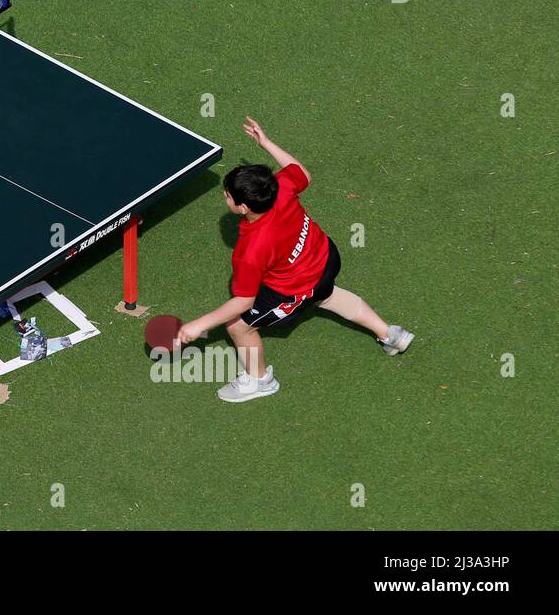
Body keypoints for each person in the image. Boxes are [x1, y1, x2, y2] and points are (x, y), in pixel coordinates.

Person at [177, 117, 414, 403]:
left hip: (296, 286)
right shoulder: (281, 189)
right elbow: (302, 172)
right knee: (327, 295)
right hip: (327, 257)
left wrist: (197, 325)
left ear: (242, 208)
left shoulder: (250, 250)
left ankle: (260, 380)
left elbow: (243, 302)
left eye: (227, 196)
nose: (224, 198)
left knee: (239, 325)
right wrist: (266, 144)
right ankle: (391, 335)